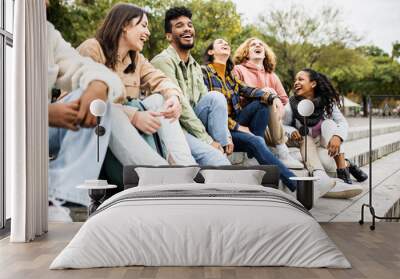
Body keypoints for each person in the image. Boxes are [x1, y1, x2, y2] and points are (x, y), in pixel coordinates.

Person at [77, 3, 196, 166]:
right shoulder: (93, 49)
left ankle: (186, 167)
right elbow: (86, 101)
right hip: (84, 129)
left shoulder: (136, 58)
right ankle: (159, 173)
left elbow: (160, 79)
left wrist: (173, 97)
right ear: (125, 25)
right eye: (143, 25)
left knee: (158, 100)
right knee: (109, 110)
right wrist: (134, 116)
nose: (148, 33)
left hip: (120, 132)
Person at [46, 5, 125, 205]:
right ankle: (157, 176)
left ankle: (63, 196)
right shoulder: (94, 46)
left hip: (45, 127)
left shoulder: (46, 34)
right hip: (13, 124)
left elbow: (83, 67)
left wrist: (98, 85)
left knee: (98, 104)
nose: (47, 3)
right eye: (142, 25)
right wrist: (40, 113)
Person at [202, 38, 297, 192]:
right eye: (220, 42)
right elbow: (210, 110)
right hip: (219, 129)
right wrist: (238, 127)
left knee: (262, 101)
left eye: (227, 42)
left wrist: (273, 98)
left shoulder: (229, 76)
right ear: (211, 52)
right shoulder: (204, 72)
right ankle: (297, 184)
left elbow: (249, 90)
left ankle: (255, 146)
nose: (225, 43)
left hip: (236, 123)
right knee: (256, 141)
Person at [151, 7, 231, 166]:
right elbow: (182, 106)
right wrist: (207, 141)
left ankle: (222, 148)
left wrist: (226, 135)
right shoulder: (162, 61)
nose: (187, 28)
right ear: (168, 36)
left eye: (189, 25)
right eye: (179, 25)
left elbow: (205, 99)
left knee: (216, 97)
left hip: (195, 125)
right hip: (175, 127)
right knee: (218, 161)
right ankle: (220, 157)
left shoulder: (195, 66)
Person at [283, 68, 366, 198]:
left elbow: (342, 123)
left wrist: (337, 137)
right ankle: (348, 164)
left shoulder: (327, 102)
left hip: (324, 144)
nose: (296, 82)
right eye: (295, 80)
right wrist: (292, 131)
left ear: (313, 84)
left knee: (330, 124)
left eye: (301, 79)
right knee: (319, 155)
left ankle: (342, 170)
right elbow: (283, 125)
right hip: (305, 145)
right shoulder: (291, 103)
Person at [233, 37, 302, 169]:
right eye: (253, 45)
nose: (258, 46)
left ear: (265, 53)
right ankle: (282, 152)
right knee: (268, 95)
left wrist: (275, 105)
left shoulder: (272, 76)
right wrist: (265, 94)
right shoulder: (238, 70)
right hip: (245, 122)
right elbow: (235, 97)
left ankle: (279, 150)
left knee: (270, 95)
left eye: (260, 45)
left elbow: (285, 101)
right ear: (246, 53)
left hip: (269, 127)